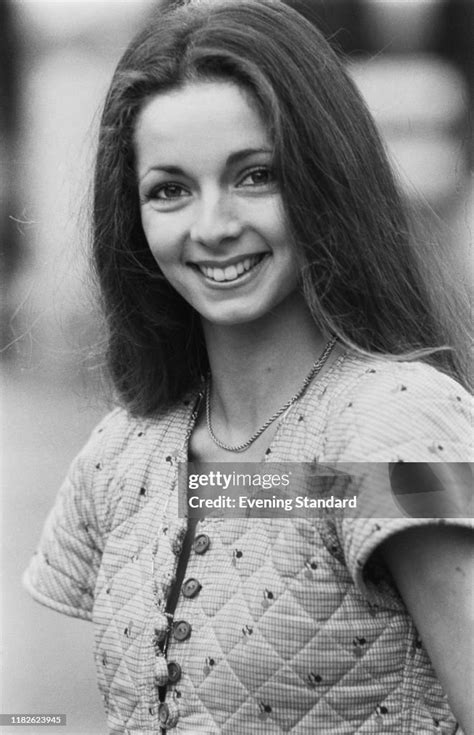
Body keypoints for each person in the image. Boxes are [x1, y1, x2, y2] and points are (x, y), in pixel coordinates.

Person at [23, 1, 473, 733]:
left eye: (256, 175)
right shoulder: (122, 457)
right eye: (170, 189)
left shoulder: (396, 425)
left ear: (324, 179)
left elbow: (320, 491)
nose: (213, 225)